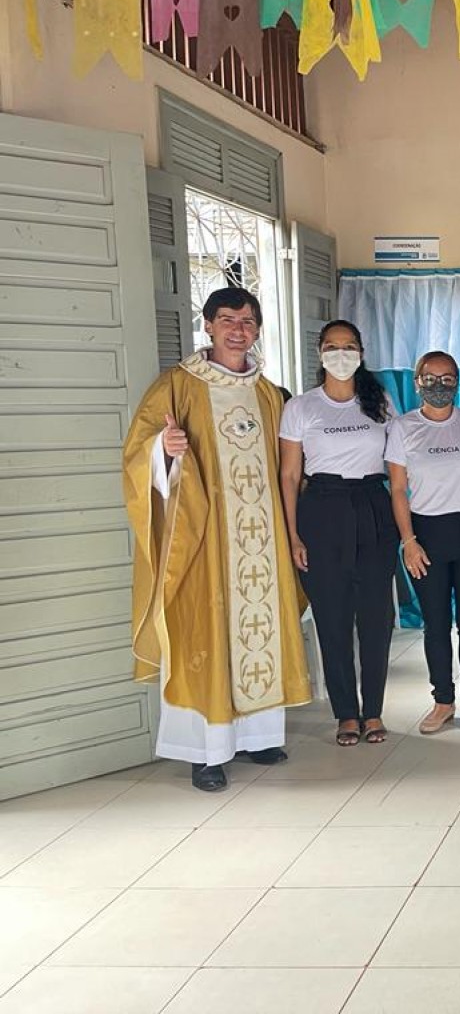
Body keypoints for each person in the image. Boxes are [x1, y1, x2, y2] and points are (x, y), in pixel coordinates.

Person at [123, 287, 308, 792]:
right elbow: (137, 453)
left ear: (257, 329)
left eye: (248, 321)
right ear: (207, 325)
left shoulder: (269, 393)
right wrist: (164, 447)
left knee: (257, 631)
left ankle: (256, 736)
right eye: (227, 319)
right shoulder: (178, 386)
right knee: (205, 635)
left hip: (260, 544)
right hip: (203, 542)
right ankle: (204, 753)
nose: (238, 329)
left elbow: (289, 470)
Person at [280, 320, 397, 747]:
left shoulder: (378, 401)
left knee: (375, 618)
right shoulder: (301, 407)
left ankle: (374, 712)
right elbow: (290, 475)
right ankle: (346, 713)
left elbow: (398, 465)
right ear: (320, 352)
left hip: (372, 505)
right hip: (321, 509)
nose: (341, 354)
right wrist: (292, 535)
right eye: (333, 346)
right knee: (331, 618)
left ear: (361, 352)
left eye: (349, 346)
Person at [386, 351, 460, 734]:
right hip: (425, 535)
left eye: (447, 378)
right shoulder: (402, 428)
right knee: (435, 623)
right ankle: (443, 701)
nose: (439, 385)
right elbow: (398, 490)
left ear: (458, 382)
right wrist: (408, 541)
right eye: (429, 378)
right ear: (416, 382)